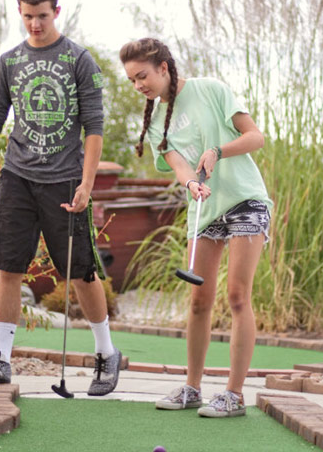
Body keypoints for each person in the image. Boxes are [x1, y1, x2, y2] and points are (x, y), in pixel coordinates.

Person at [0, 0, 121, 395]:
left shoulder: (79, 60)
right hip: (17, 177)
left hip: (65, 180)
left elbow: (94, 127)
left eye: (42, 15)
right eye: (28, 16)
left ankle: (107, 354)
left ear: (57, 10)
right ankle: (2, 361)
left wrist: (87, 184)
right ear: (19, 12)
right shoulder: (9, 62)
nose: (35, 24)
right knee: (9, 267)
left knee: (81, 271)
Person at [120, 37, 272, 418]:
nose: (139, 86)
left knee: (238, 296)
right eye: (132, 80)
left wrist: (219, 150)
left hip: (244, 200)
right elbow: (179, 167)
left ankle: (234, 395)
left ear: (164, 68)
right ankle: (192, 388)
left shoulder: (211, 90)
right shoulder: (156, 123)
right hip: (205, 206)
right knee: (199, 300)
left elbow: (256, 137)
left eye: (143, 76)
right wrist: (190, 183)